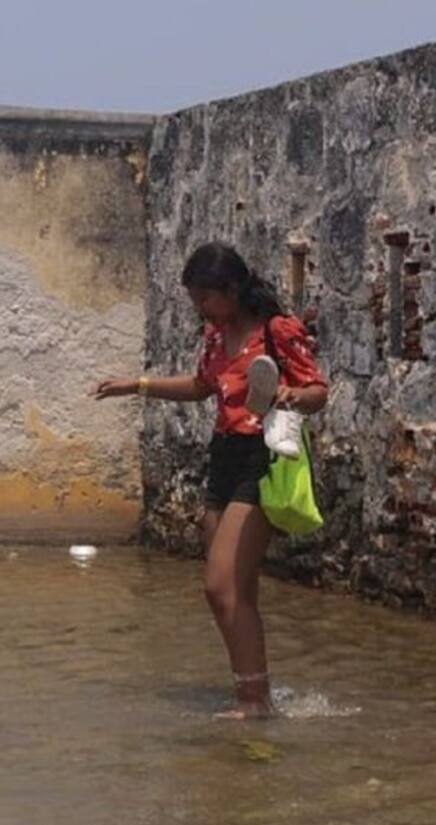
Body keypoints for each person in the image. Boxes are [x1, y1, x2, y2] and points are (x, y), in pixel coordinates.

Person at [93, 242, 328, 718]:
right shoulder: (217, 338)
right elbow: (202, 388)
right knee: (236, 591)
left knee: (219, 586)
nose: (201, 309)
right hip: (221, 458)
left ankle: (252, 701)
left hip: (262, 457)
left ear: (232, 289)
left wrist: (289, 395)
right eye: (195, 300)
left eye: (206, 299)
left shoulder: (277, 332)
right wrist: (136, 385)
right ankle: (253, 689)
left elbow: (318, 391)